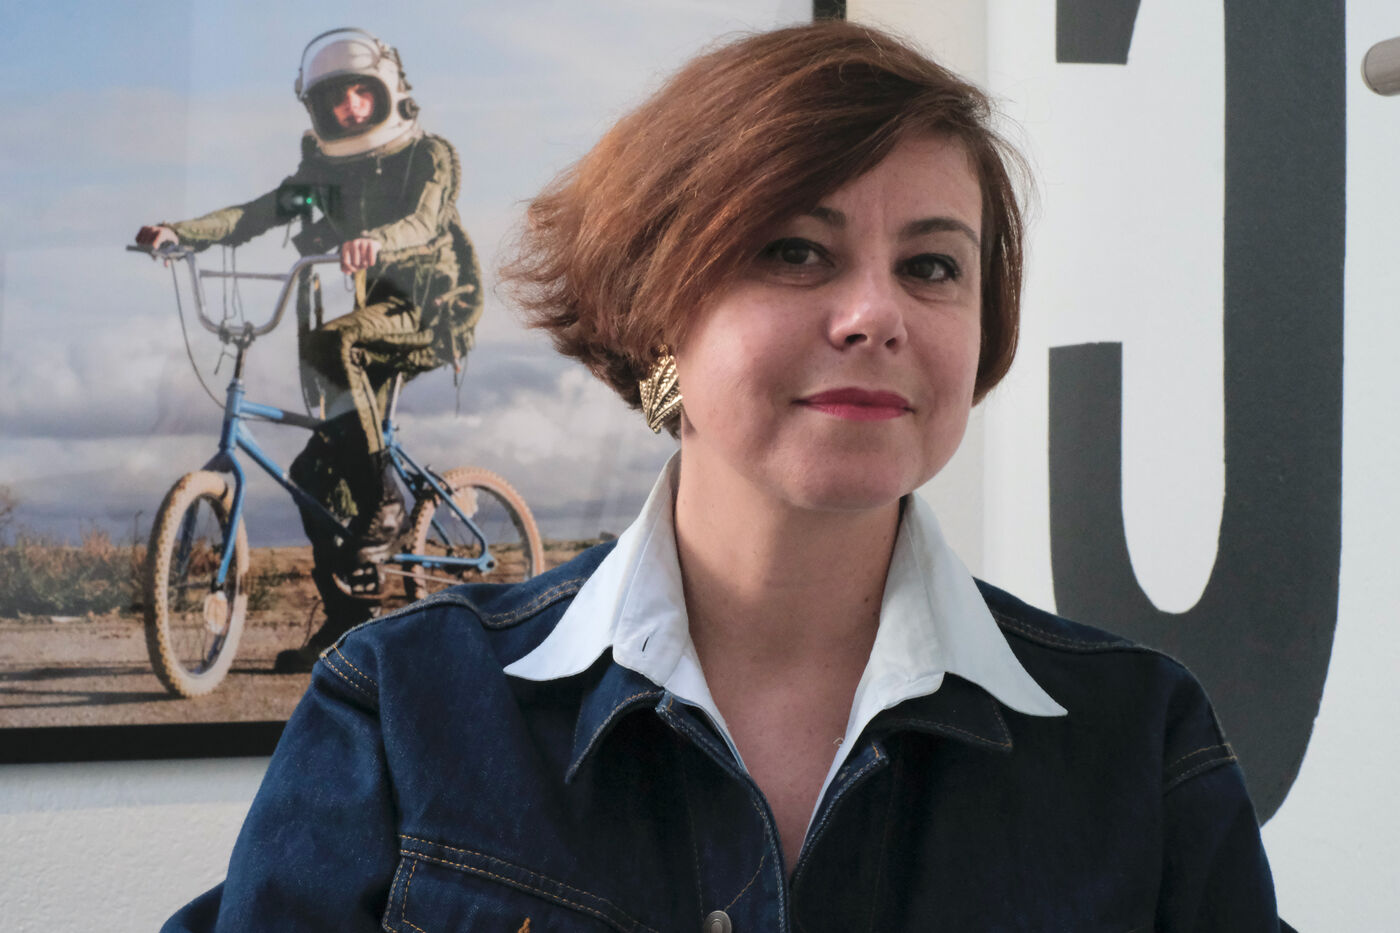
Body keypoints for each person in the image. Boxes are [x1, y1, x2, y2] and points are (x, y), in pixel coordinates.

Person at [163, 21, 1280, 931]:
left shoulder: (1137, 739)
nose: (876, 314)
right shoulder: (405, 711)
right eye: (794, 251)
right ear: (657, 307)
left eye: (932, 265)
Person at [135, 28, 483, 671]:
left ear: (388, 92)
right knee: (312, 477)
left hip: (428, 308)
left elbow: (424, 220)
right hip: (368, 316)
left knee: (334, 342)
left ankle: (384, 500)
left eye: (361, 93)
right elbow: (258, 213)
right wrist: (177, 233)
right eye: (335, 98)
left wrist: (377, 241)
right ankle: (350, 622)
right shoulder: (323, 174)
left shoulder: (428, 156)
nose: (349, 107)